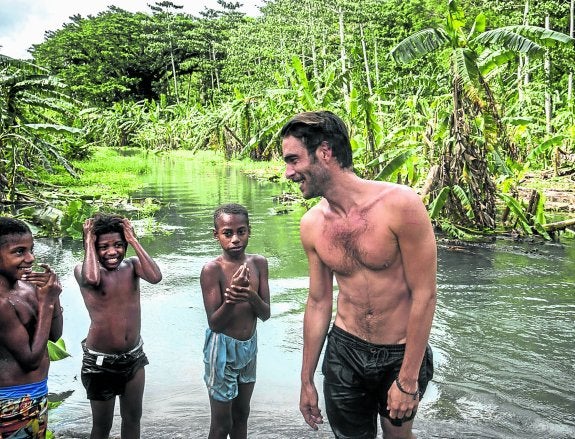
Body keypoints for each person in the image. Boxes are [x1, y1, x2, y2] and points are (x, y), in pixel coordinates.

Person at [280, 111, 437, 439]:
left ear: (324, 152)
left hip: (400, 351)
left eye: (293, 160)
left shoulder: (400, 205)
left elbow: (425, 294)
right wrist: (306, 380)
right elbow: (319, 301)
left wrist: (407, 380)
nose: (288, 172)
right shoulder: (312, 225)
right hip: (345, 351)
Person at [74, 213, 162, 439]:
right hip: (100, 362)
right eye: (103, 246)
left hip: (134, 357)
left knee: (133, 419)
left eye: (118, 245)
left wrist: (133, 240)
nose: (112, 252)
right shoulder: (83, 270)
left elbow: (155, 277)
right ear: (93, 247)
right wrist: (88, 243)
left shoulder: (132, 266)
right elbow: (93, 279)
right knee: (102, 427)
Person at [200, 203, 271, 439]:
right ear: (216, 235)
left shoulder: (259, 263)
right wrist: (231, 298)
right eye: (227, 233)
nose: (235, 239)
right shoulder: (212, 270)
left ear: (249, 230)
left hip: (248, 347)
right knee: (221, 424)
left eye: (241, 231)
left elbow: (265, 313)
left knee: (242, 416)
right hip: (222, 349)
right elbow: (215, 324)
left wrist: (250, 294)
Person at [0, 217, 63, 438]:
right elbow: (30, 360)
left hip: (37, 392)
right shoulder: (1, 303)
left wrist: (52, 297)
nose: (30, 258)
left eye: (31, 250)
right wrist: (46, 303)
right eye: (19, 252)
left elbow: (54, 335)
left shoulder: (27, 288)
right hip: (9, 400)